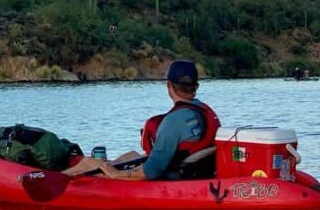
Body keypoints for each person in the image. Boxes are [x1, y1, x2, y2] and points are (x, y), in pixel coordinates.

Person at [64, 60, 220, 181]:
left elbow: (151, 171)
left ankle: (53, 179)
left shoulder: (172, 123)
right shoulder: (207, 111)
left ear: (169, 85)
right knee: (130, 155)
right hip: (194, 172)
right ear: (196, 86)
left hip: (173, 178)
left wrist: (116, 174)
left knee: (87, 164)